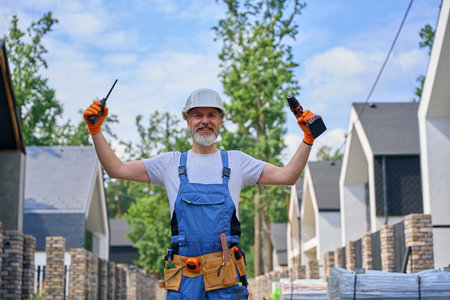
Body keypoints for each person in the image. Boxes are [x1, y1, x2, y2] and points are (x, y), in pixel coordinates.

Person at [83, 88, 319, 299]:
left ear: (220, 120)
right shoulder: (170, 163)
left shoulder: (237, 162)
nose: (205, 121)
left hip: (226, 278)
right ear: (188, 121)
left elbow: (288, 176)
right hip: (184, 278)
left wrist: (307, 139)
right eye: (198, 115)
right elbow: (116, 170)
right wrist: (96, 131)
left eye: (211, 115)